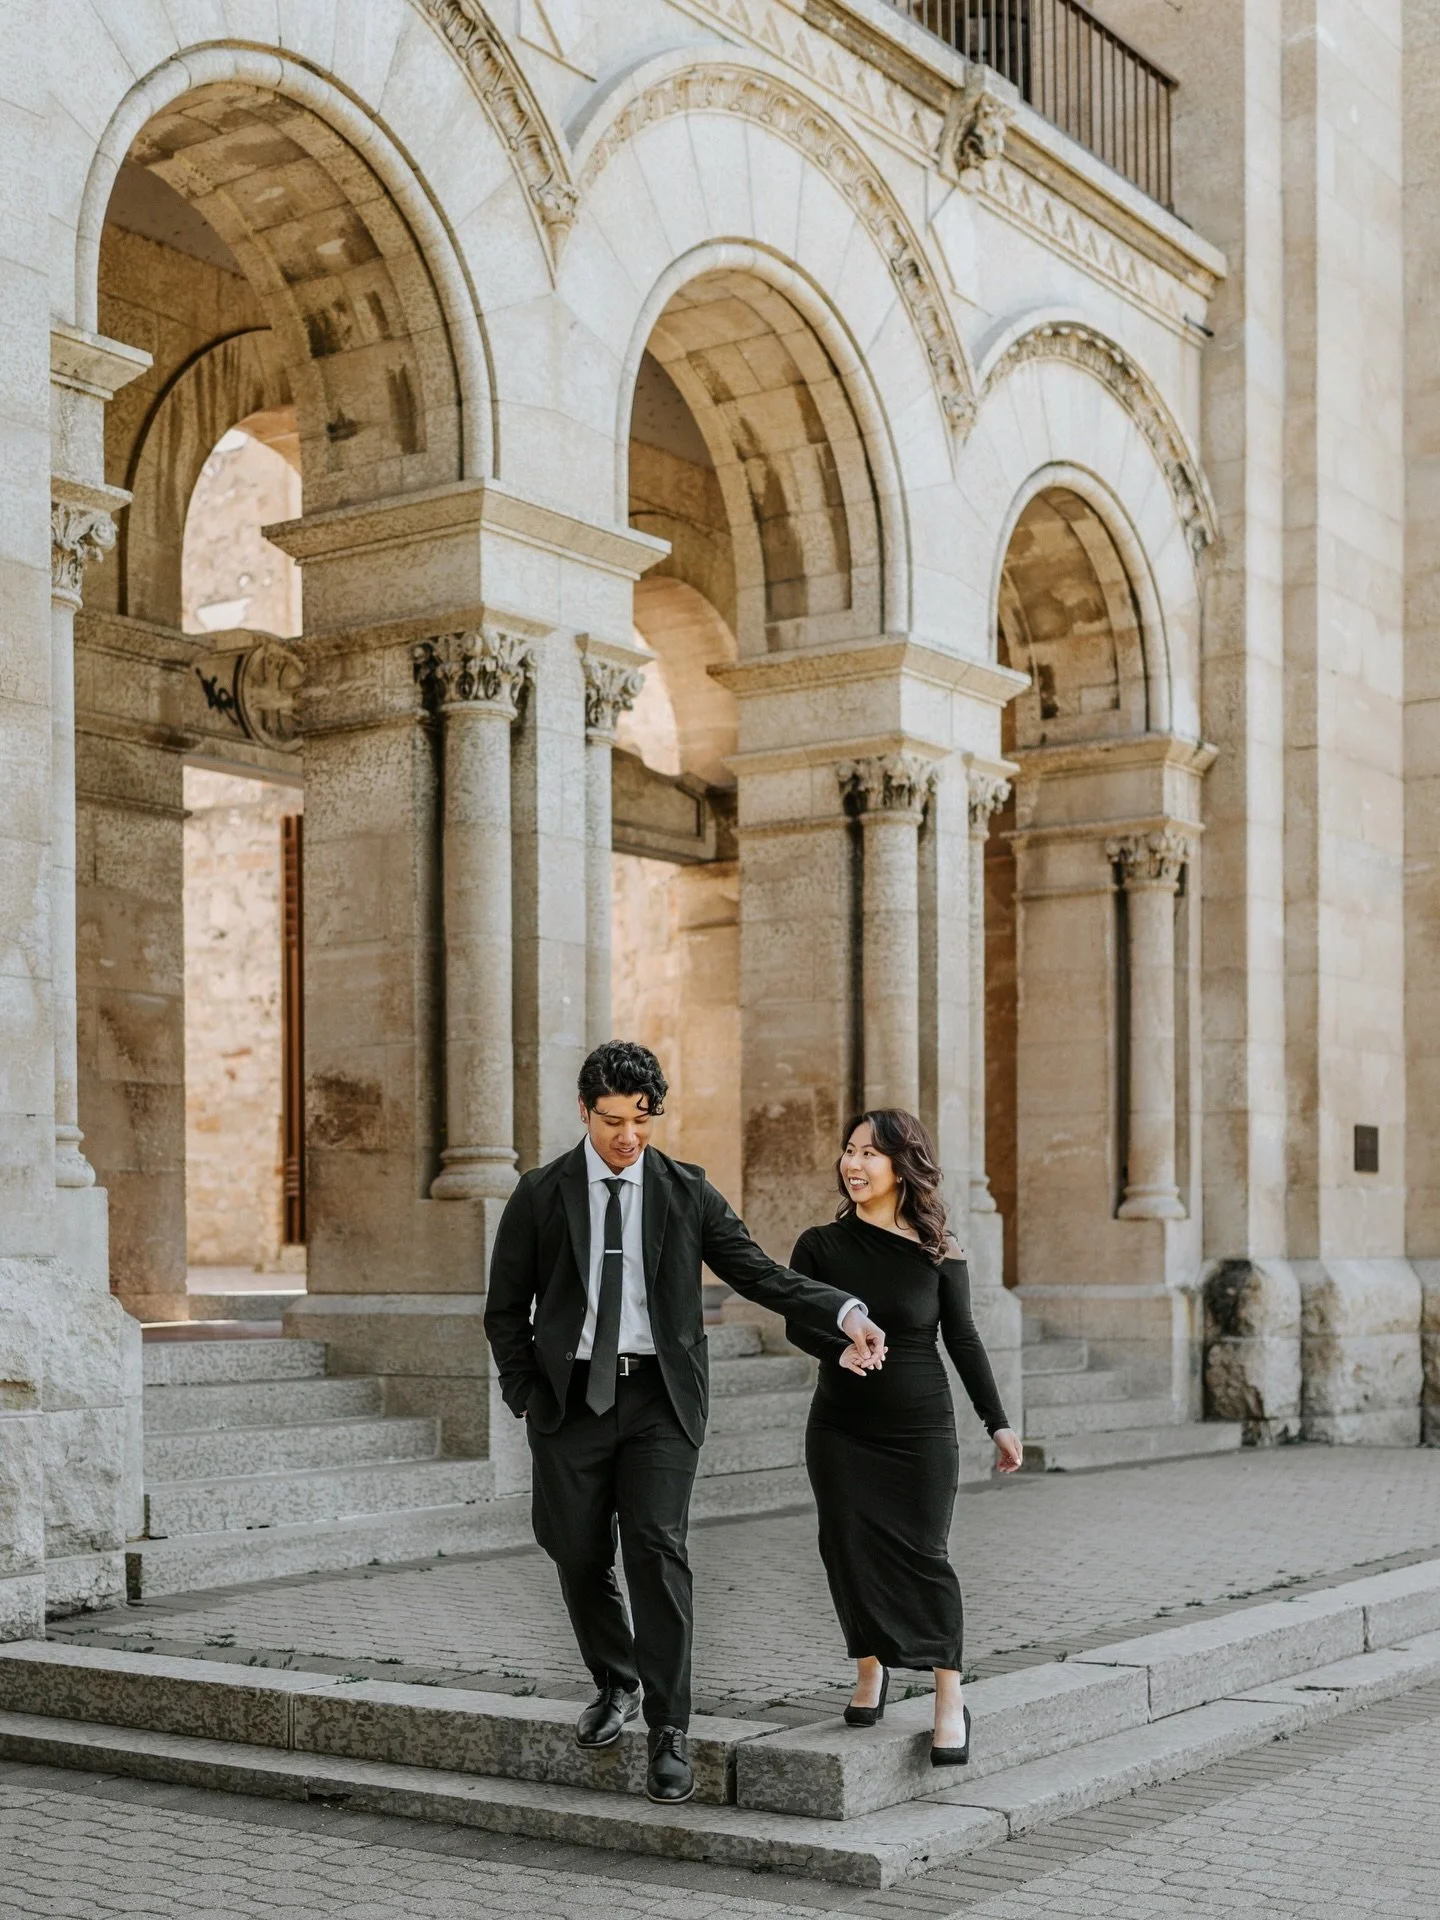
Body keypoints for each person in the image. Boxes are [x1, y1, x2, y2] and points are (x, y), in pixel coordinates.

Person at [484, 1040, 888, 1805]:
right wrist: (526, 1392)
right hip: (569, 1402)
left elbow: (760, 1274)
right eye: (612, 1120)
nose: (628, 1136)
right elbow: (505, 1309)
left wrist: (843, 1312)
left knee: (656, 1549)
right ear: (584, 1111)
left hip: (660, 1400)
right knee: (574, 1548)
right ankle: (616, 1679)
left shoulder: (686, 1191)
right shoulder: (541, 1193)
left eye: (641, 1120)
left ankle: (669, 1729)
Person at [784, 1108, 1024, 1765]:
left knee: (924, 1555)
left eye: (870, 1153)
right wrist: (837, 1349)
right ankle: (870, 1667)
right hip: (841, 1428)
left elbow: (964, 1338)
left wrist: (997, 1421)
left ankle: (949, 1696)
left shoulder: (938, 1249)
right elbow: (799, 1322)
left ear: (901, 1165)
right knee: (847, 1549)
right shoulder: (819, 1246)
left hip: (921, 1429)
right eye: (849, 1150)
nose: (854, 1164)